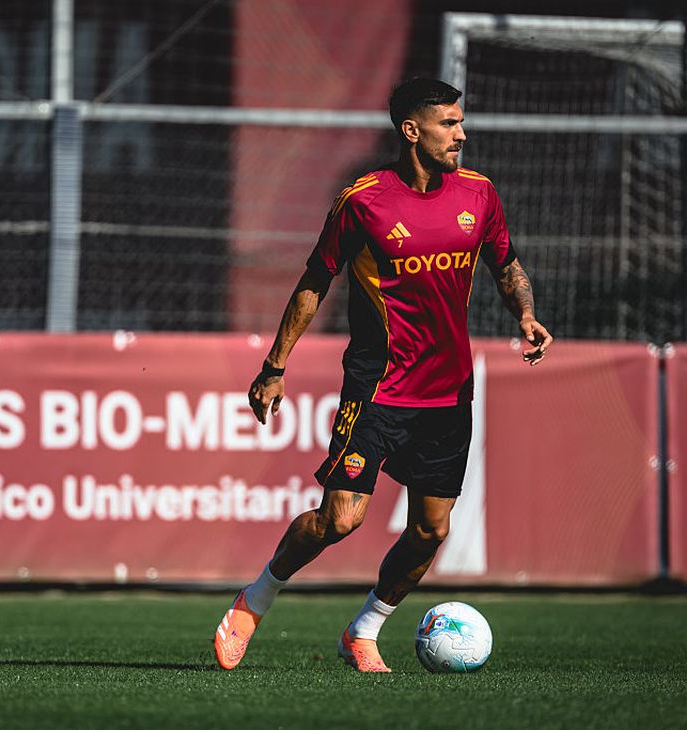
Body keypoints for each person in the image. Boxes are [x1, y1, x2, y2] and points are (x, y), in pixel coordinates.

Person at [213, 77, 552, 673]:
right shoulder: (363, 200)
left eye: (461, 122)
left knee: (430, 531)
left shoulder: (480, 194)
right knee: (340, 517)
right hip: (378, 386)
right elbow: (315, 281)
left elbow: (507, 263)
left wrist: (525, 313)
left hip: (449, 395)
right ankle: (254, 600)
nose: (462, 134)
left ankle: (364, 630)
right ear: (411, 131)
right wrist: (274, 367)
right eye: (449, 124)